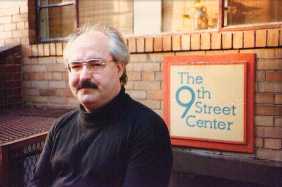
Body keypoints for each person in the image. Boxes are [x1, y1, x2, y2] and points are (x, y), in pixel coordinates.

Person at [29, 25, 173, 187]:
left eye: (95, 64)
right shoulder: (61, 126)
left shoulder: (147, 129)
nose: (83, 76)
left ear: (119, 69)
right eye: (75, 66)